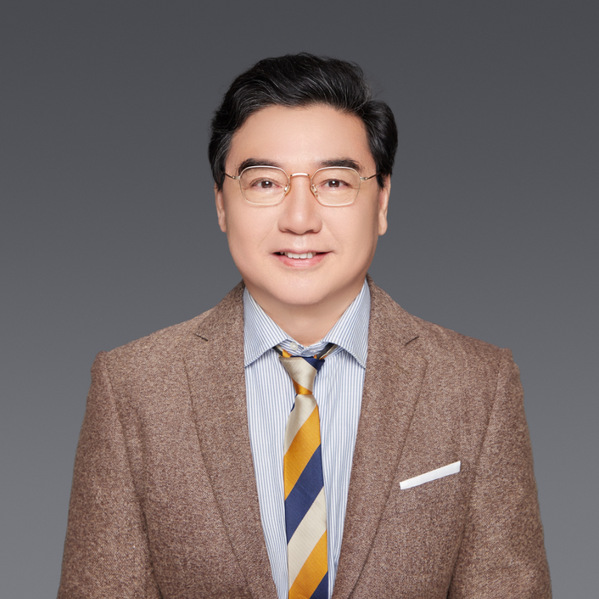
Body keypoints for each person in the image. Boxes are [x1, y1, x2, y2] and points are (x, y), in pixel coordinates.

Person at [58, 54, 551, 598]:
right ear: (221, 203)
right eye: (265, 182)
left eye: (334, 182)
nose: (299, 219)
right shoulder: (134, 388)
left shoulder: (477, 386)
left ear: (382, 201)